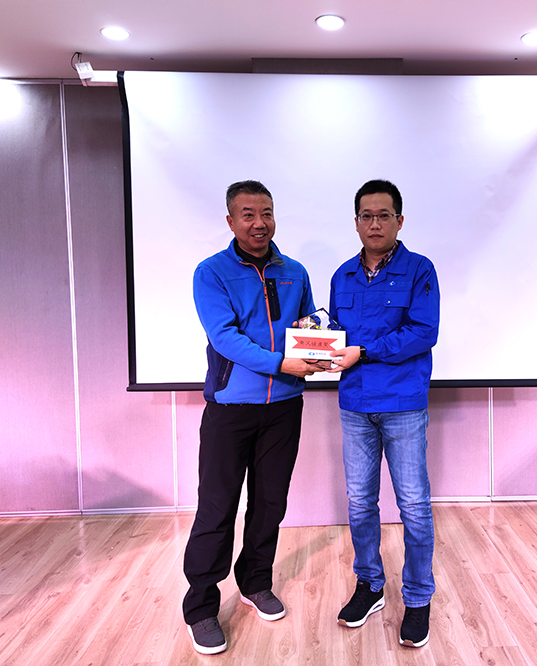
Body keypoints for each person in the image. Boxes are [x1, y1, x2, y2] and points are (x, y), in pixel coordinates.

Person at [182, 180, 326, 655]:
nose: (259, 223)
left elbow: (307, 322)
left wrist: (316, 338)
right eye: (248, 214)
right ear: (230, 221)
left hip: (284, 408)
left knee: (270, 503)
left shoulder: (294, 271)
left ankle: (256, 581)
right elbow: (225, 338)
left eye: (266, 213)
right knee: (217, 507)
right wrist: (282, 363)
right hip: (230, 409)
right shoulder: (212, 272)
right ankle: (201, 606)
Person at [328, 179, 440, 648]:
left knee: (412, 504)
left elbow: (423, 332)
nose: (375, 223)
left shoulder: (419, 269)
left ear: (399, 220)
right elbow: (335, 334)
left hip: (402, 404)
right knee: (359, 502)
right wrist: (315, 342)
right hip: (355, 404)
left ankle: (417, 597)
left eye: (384, 215)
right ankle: (370, 585)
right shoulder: (342, 276)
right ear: (356, 223)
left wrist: (364, 351)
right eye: (366, 216)